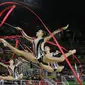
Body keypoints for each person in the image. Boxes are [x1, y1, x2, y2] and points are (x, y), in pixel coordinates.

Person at [0, 25, 72, 72]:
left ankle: (69, 54)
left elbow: (53, 33)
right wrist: (21, 30)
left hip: (42, 58)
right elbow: (25, 36)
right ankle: (6, 44)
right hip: (34, 57)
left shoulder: (43, 40)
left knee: (60, 60)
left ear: (42, 34)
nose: (37, 32)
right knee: (20, 52)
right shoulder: (33, 40)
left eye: (38, 31)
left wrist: (62, 29)